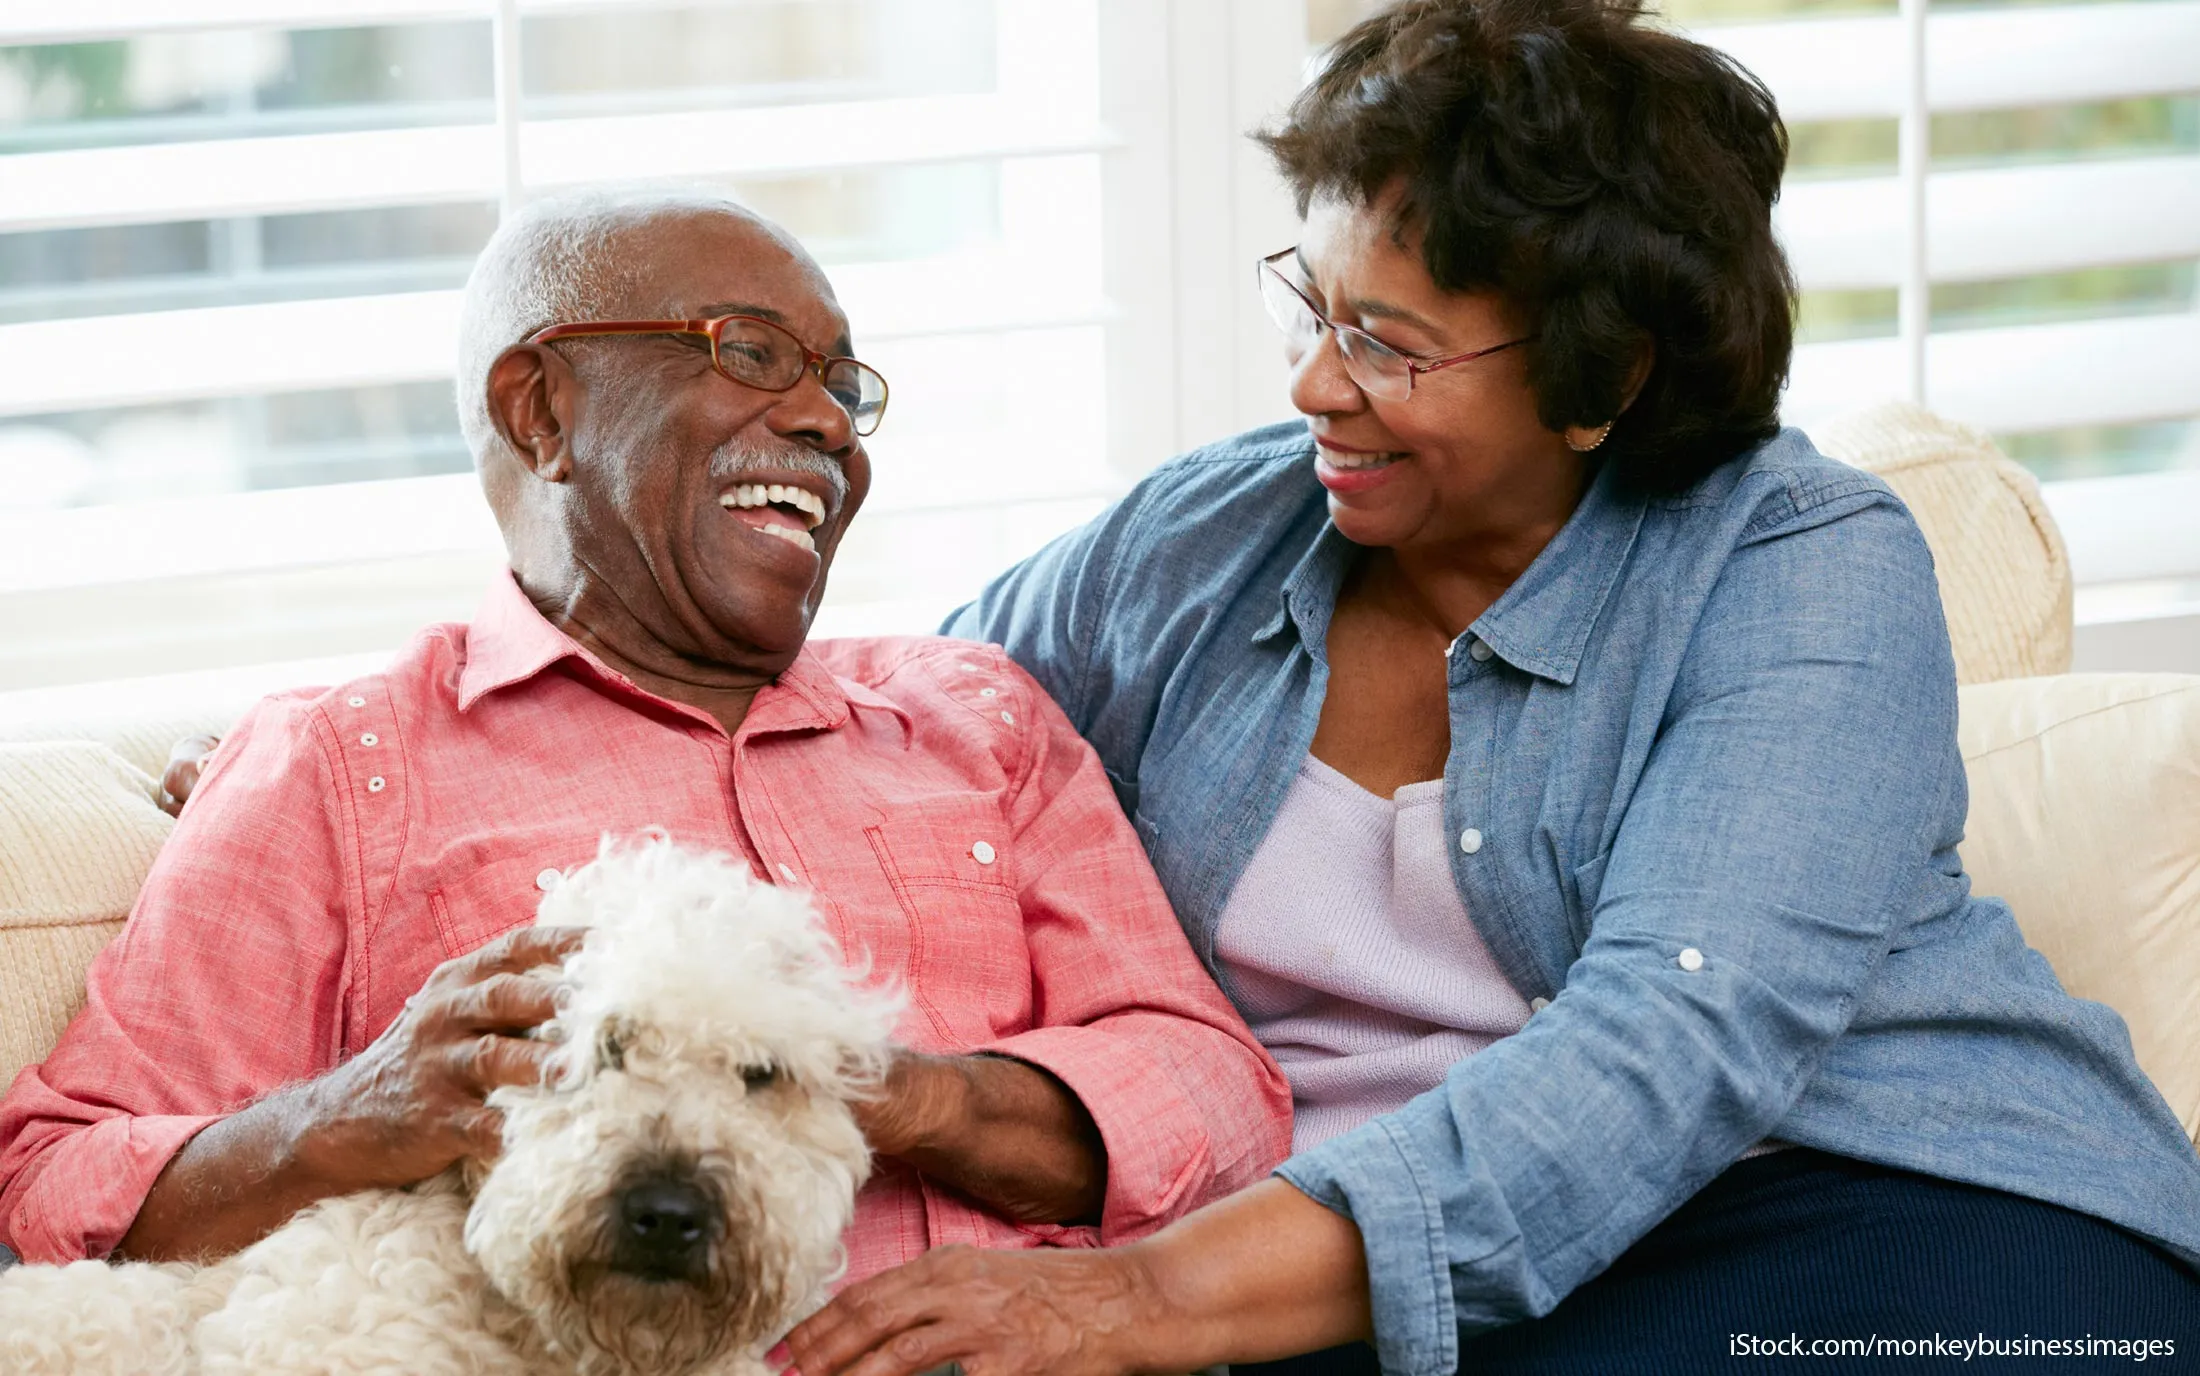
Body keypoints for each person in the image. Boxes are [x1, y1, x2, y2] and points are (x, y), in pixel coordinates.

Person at [781, 2, 2200, 1373]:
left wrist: (1135, 1299)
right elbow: (903, 756)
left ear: (1605, 379)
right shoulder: (1196, 542)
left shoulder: (1797, 565)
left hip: (1852, 1209)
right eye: (1310, 304)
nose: (1313, 389)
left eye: (1387, 344)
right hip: (1320, 1276)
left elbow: (1675, 1044)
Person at [0, 187, 1291, 1273]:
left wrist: (893, 1089)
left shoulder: (977, 717)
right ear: (542, 411)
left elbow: (1223, 1092)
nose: (829, 421)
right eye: (750, 353)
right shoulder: (343, 766)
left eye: (844, 384)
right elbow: (55, 1185)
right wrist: (346, 1115)